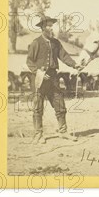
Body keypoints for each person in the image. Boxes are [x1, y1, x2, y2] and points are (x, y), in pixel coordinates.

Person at [26, 15, 81, 144]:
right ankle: (38, 134)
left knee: (60, 104)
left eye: (52, 25)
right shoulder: (36, 43)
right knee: (38, 107)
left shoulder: (56, 43)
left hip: (53, 78)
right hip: (39, 79)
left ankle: (63, 132)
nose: (51, 28)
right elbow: (29, 62)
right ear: (43, 28)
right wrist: (39, 72)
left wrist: (74, 64)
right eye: (49, 26)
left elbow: (64, 56)